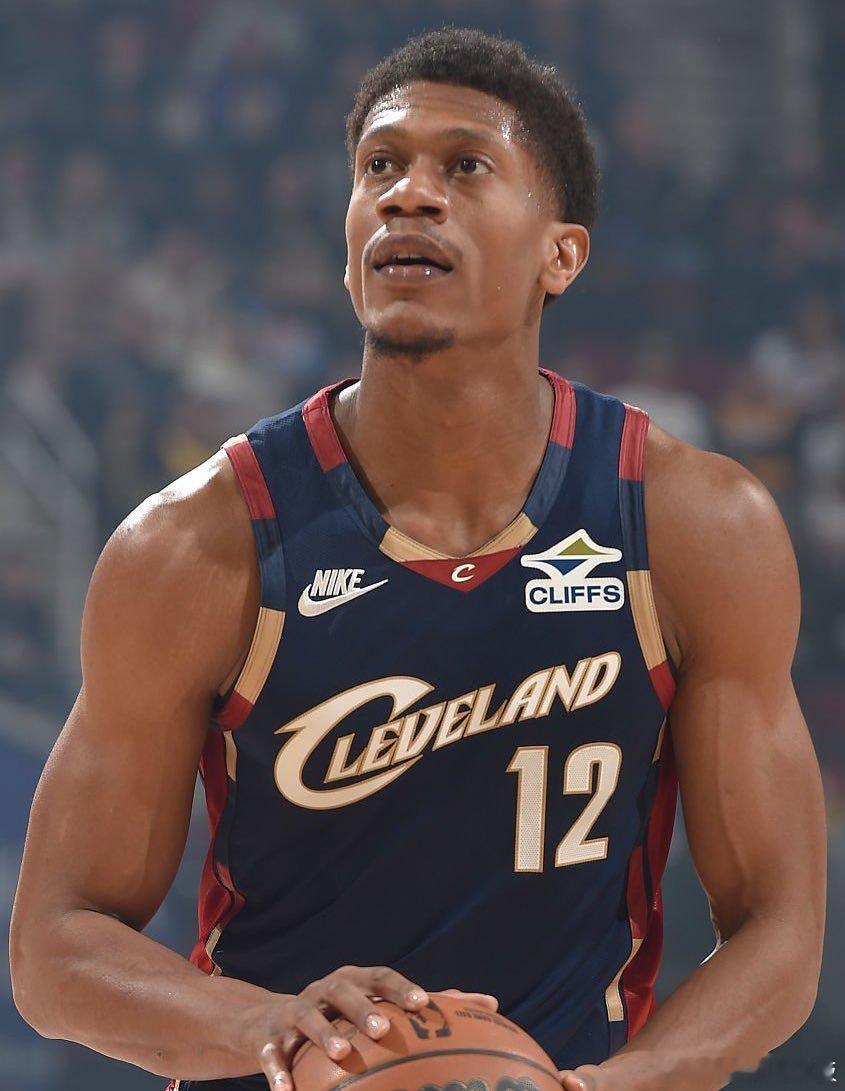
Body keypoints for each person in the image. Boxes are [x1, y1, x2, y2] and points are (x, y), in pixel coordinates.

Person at [10, 27, 826, 1091]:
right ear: (348, 239)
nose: (408, 194)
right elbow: (56, 947)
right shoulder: (197, 542)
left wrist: (624, 1080)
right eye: (379, 167)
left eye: (464, 166)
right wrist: (271, 1025)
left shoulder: (689, 524)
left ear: (560, 254)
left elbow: (779, 928)